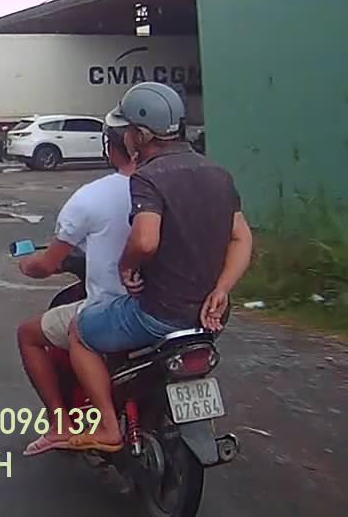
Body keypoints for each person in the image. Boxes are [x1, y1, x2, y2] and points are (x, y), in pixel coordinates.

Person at [64, 82, 253, 452]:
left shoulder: (149, 176)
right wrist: (222, 289)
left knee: (79, 332)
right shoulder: (218, 172)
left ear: (139, 135)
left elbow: (145, 240)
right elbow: (241, 238)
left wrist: (126, 266)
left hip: (159, 315)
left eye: (127, 130)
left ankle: (108, 428)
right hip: (208, 318)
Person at [17, 125, 136, 456]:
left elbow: (48, 263)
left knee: (30, 334)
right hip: (173, 306)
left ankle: (62, 424)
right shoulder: (171, 187)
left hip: (116, 307)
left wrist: (28, 265)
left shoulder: (91, 197)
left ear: (111, 147)